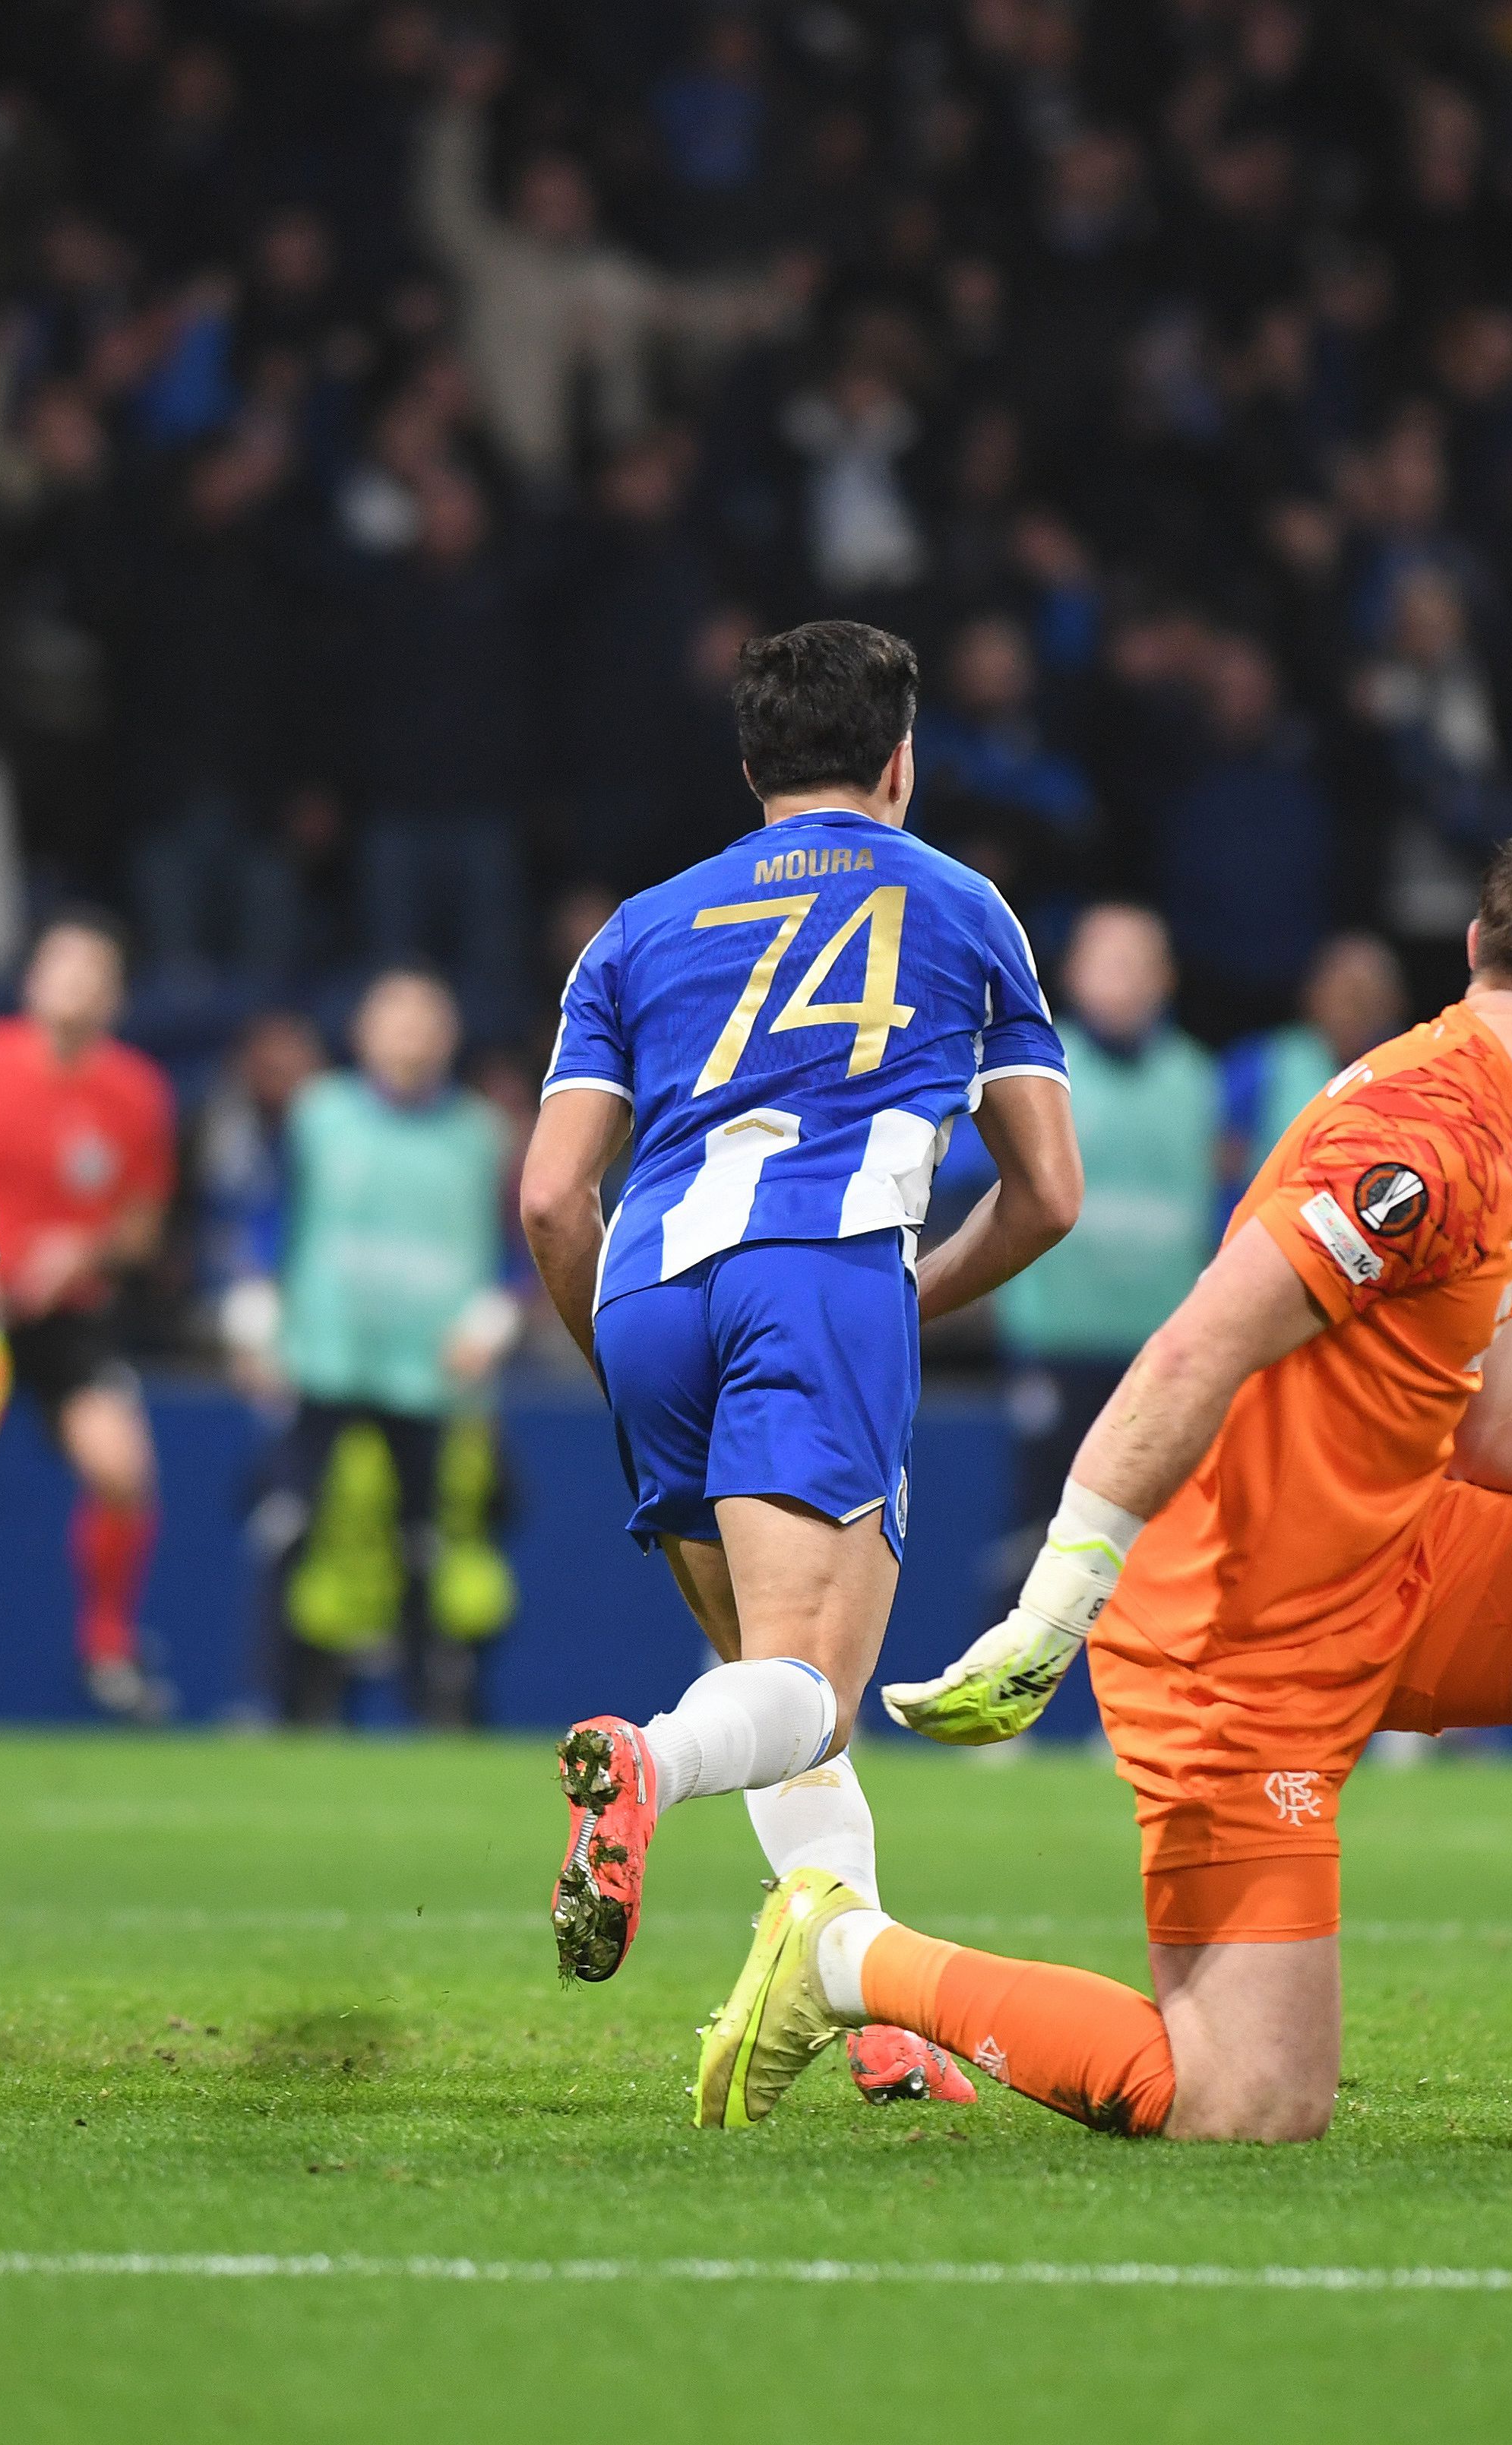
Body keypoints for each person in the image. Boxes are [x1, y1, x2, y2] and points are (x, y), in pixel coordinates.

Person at [705, 817, 1512, 2146]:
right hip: (1236, 1637)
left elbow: (1493, 1433)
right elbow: (1193, 1346)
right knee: (1247, 2106)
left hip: (1394, 1563)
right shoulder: (1422, 1132)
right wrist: (1056, 1606)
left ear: (1473, 946)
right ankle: (848, 1956)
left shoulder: (1501, 1117)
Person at [520, 619, 1083, 2110]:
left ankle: (873, 2000)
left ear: (751, 763)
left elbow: (545, 1197)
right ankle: (643, 1765)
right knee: (809, 1692)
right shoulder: (964, 908)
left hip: (647, 1287)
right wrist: (910, 1299)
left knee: (764, 1674)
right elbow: (1049, 1192)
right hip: (820, 1276)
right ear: (902, 760)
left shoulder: (635, 926)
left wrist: (608, 1341)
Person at [0, 911, 178, 1721]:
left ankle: (109, 1647)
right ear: (33, 979)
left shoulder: (137, 1091)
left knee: (123, 1470)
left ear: (116, 995)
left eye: (96, 971)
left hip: (68, 1316)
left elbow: (143, 1223)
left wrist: (80, 1253)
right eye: (64, 966)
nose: (78, 984)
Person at [258, 967, 514, 1727]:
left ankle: (441, 1715)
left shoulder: (482, 1135)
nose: (409, 1034)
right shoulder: (317, 1115)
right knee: (295, 1531)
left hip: (433, 1377)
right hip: (324, 1361)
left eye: (425, 1019)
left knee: (430, 1548)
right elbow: (270, 1219)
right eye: (394, 1016)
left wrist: (490, 1322)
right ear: (363, 1030)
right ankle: (284, 1708)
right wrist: (256, 1318)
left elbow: (517, 1247)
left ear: (450, 1037)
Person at [993, 904, 1219, 1566]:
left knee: (1156, 1553)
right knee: (1033, 1544)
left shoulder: (1201, 1082)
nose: (1121, 978)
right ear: (1073, 974)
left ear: (1166, 978)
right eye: (1106, 960)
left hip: (1161, 1359)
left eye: (1137, 962)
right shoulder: (1033, 1071)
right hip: (1054, 1351)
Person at [1217, 931, 1406, 1196]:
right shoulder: (1263, 1062)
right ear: (1313, 993)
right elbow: (1220, 1162)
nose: (1354, 1008)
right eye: (1343, 992)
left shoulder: (1408, 1075)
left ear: (1394, 1004)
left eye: (1366, 996)